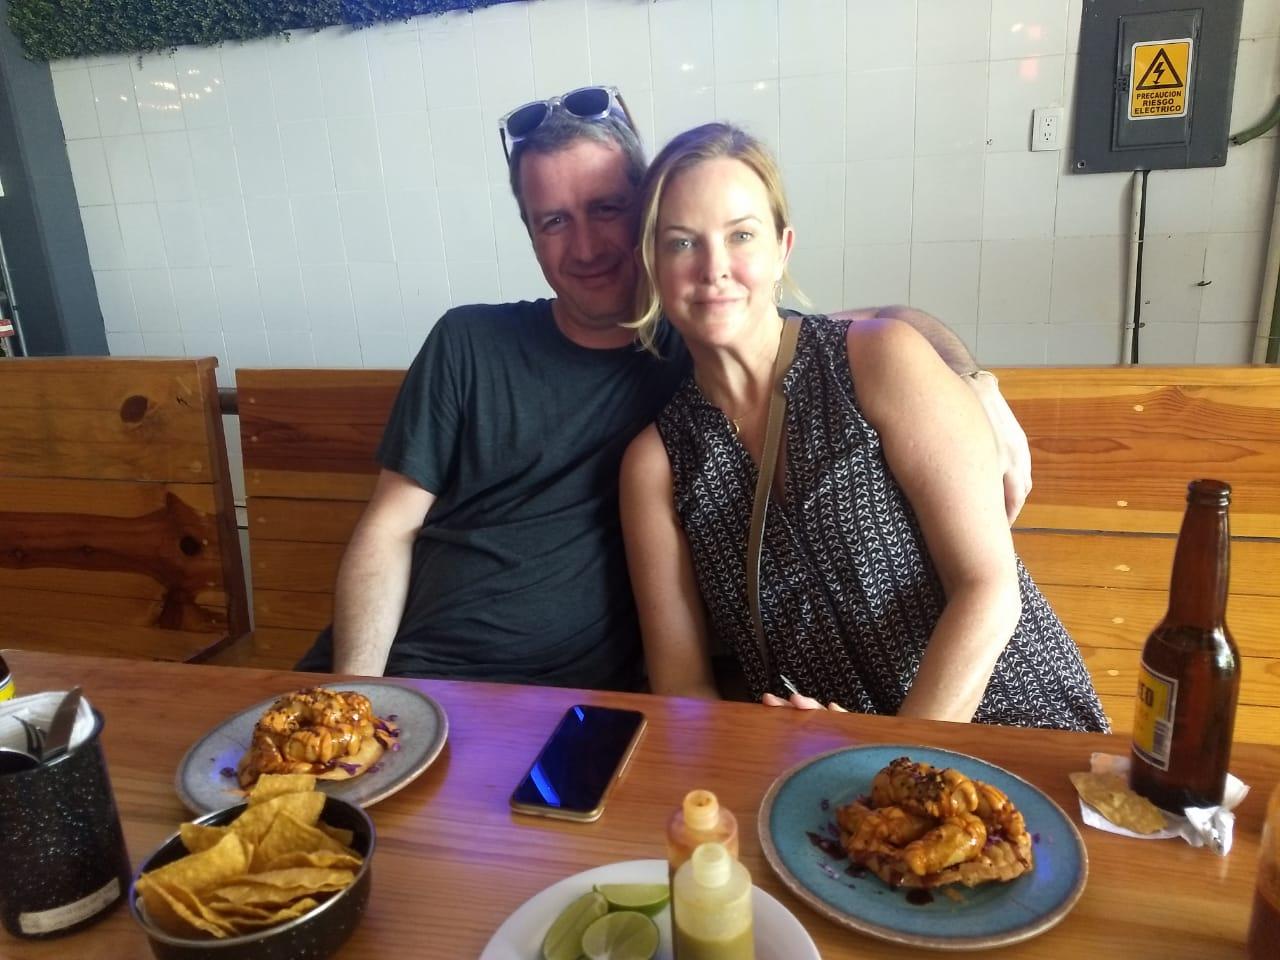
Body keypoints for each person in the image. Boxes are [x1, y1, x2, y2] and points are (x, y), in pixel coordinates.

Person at [297, 87, 1031, 691]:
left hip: (570, 705)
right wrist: (357, 695)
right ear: (530, 233)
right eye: (554, 221)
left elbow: (862, 327)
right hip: (411, 679)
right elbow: (389, 528)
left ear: (646, 218)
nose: (587, 246)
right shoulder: (469, 341)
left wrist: (973, 382)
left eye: (606, 209)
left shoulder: (701, 338)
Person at [619, 122, 1108, 731]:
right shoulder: (656, 465)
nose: (714, 267)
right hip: (821, 762)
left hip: (1010, 722)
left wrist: (888, 761)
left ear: (781, 250)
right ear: (651, 265)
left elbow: (989, 591)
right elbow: (684, 688)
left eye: (741, 235)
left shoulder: (877, 360)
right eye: (681, 243)